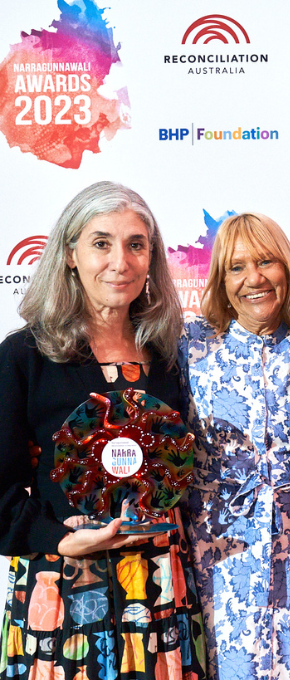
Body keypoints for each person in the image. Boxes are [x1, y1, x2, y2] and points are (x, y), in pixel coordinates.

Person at [0, 182, 207, 680]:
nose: (121, 261)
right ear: (70, 254)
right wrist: (55, 538)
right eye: (101, 243)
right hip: (64, 578)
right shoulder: (26, 355)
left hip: (159, 579)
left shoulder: (169, 354)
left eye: (136, 244)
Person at [178, 213, 290, 680]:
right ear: (220, 279)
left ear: (287, 269)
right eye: (236, 267)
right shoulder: (189, 347)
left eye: (265, 262)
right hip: (219, 551)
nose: (253, 278)